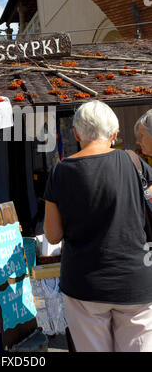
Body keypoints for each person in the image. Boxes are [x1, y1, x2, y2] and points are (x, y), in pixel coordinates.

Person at [44, 100, 152, 352]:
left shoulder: (60, 172)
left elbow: (52, 235)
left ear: (76, 134)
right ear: (114, 134)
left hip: (84, 284)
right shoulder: (133, 161)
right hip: (137, 281)